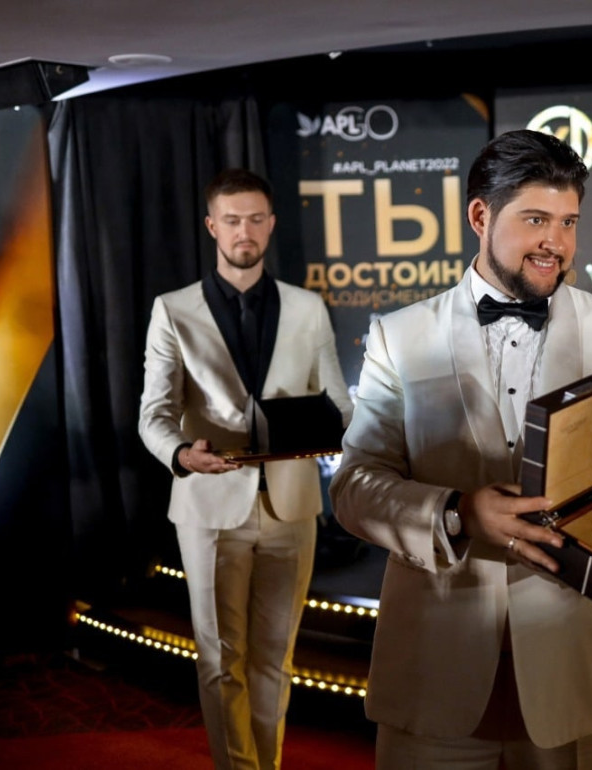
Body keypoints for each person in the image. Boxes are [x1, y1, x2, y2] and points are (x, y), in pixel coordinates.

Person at [330, 129, 592, 770]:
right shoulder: (400, 337)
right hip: (434, 678)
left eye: (568, 222)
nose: (556, 243)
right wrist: (457, 513)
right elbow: (355, 486)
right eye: (536, 219)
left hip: (577, 675)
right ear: (480, 216)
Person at [138, 167, 354, 770]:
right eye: (232, 220)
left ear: (271, 224)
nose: (244, 231)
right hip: (208, 507)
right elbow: (153, 415)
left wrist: (347, 434)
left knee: (275, 658)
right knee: (219, 658)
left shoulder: (307, 307)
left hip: (292, 507)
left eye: (256, 219)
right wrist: (182, 455)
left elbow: (339, 402)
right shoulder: (173, 310)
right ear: (212, 226)